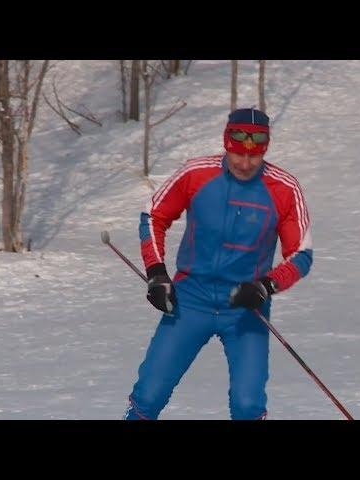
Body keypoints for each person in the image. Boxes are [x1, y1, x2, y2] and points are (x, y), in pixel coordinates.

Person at [123, 107, 313, 420]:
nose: (245, 163)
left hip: (246, 305)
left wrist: (266, 286)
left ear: (265, 150)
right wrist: (157, 273)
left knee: (248, 404)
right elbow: (153, 215)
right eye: (238, 153)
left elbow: (301, 255)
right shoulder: (196, 173)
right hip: (191, 299)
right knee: (149, 393)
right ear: (227, 143)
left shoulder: (284, 188)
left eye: (254, 156)